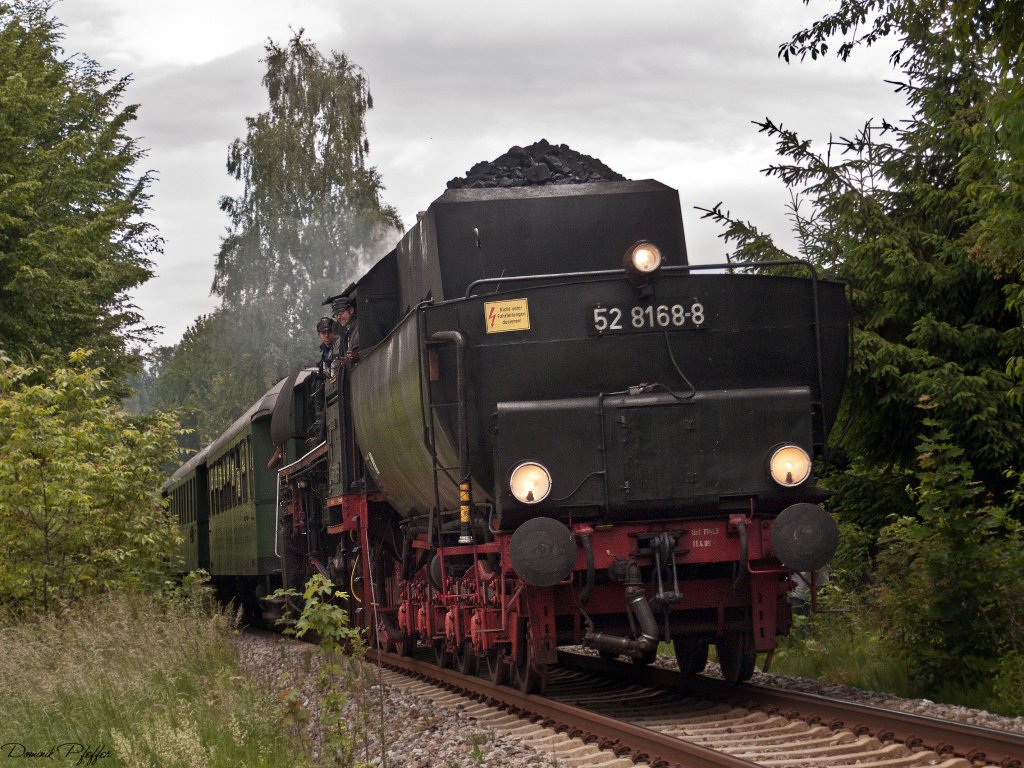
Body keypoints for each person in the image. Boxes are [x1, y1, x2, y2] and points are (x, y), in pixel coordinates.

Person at [326, 294, 360, 379]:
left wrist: (357, 356)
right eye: (336, 315)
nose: (339, 317)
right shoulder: (347, 333)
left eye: (341, 313)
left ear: (351, 310)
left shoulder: (360, 327)